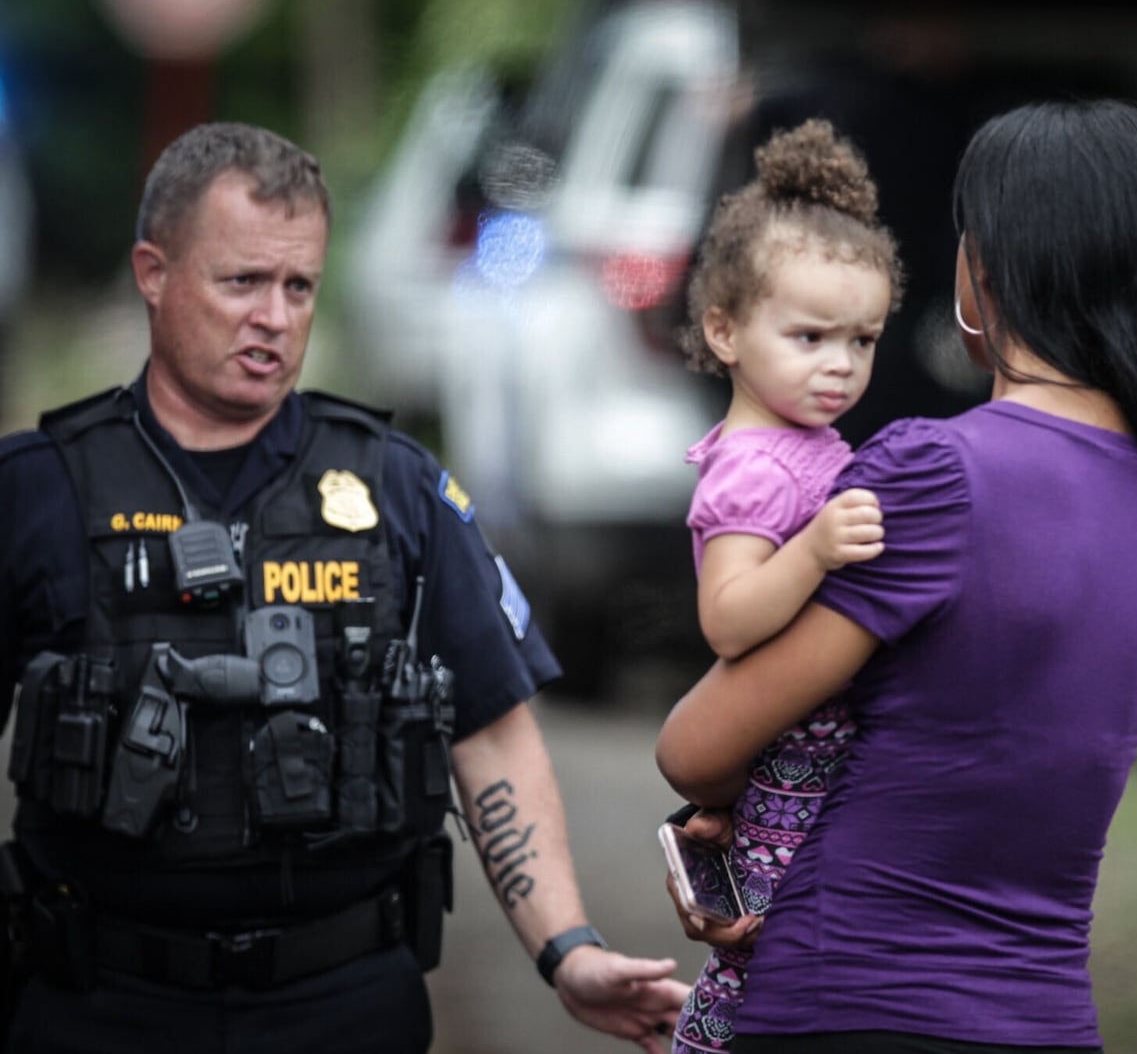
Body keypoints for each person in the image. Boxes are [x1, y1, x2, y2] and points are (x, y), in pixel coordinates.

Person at [0, 121, 687, 1053]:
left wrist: (566, 950)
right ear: (153, 272)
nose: (274, 318)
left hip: (343, 1005)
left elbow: (492, 735)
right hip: (96, 1005)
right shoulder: (38, 488)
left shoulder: (396, 486)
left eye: (299, 287)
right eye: (241, 281)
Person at [656, 99, 1137, 1053]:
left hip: (852, 996)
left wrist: (739, 823)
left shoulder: (939, 474)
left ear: (991, 267)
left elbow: (695, 749)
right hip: (1047, 1018)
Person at [666, 119, 901, 1054]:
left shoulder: (809, 445)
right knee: (768, 937)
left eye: (862, 339)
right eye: (809, 336)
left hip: (819, 737)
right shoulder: (752, 471)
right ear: (724, 330)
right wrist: (811, 553)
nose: (839, 364)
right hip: (784, 752)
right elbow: (726, 622)